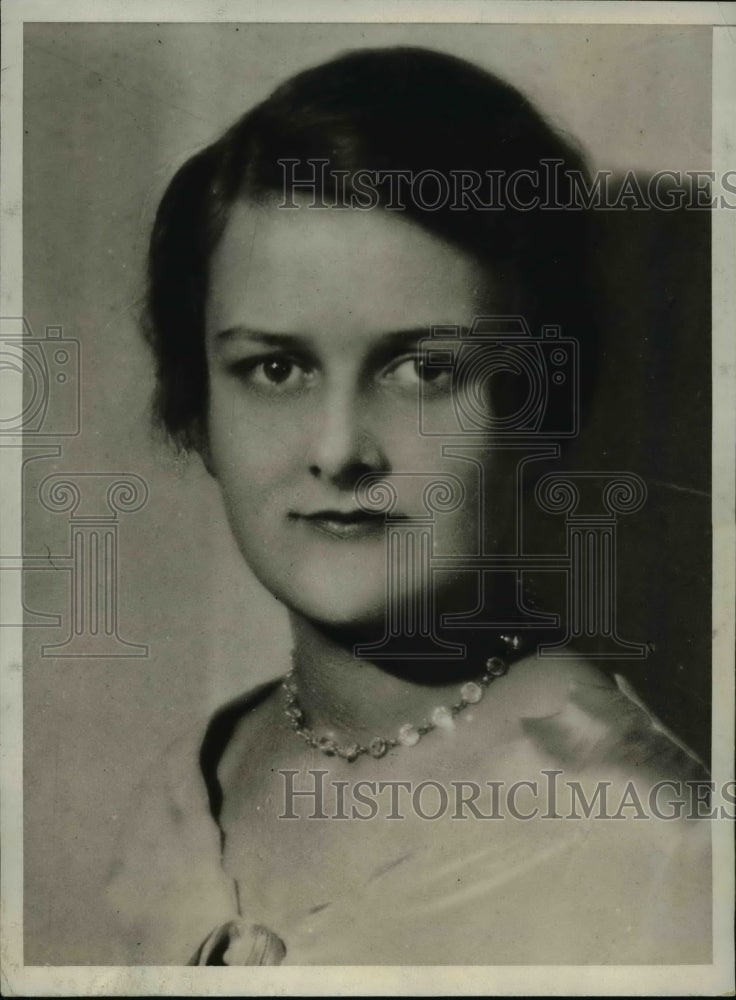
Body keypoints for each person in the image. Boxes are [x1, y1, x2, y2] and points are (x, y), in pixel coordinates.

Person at [106, 46, 711, 966]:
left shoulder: (645, 839)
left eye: (426, 369)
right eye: (276, 368)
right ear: (198, 405)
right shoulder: (194, 782)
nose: (341, 449)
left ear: (538, 403)